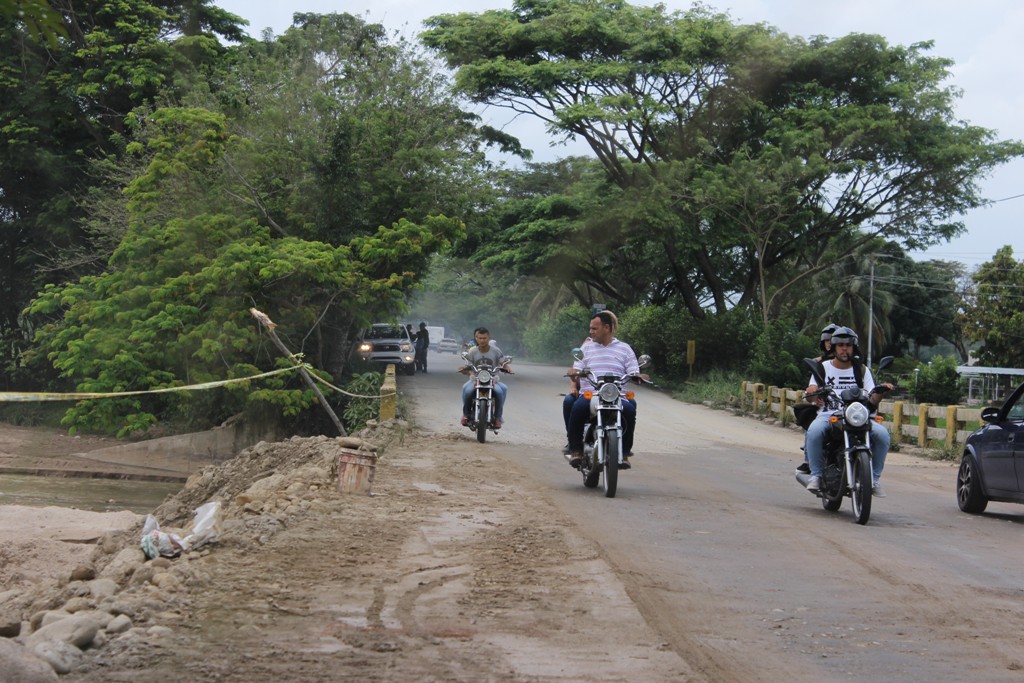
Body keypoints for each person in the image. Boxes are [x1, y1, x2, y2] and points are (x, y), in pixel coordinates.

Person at [803, 326, 894, 497]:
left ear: (854, 347)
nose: (845, 349)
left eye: (848, 345)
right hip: (830, 414)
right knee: (814, 432)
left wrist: (880, 393)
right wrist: (812, 392)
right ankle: (816, 476)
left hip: (857, 416)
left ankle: (873, 479)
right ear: (834, 347)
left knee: (882, 435)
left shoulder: (862, 370)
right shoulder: (822, 368)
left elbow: (871, 398)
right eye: (840, 345)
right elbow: (811, 395)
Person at [564, 311, 647, 469]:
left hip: (618, 396)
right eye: (590, 328)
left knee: (629, 409)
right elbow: (577, 368)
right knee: (577, 407)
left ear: (607, 328)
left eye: (594, 328)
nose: (591, 332)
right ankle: (576, 450)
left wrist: (638, 376)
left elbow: (633, 371)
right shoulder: (587, 348)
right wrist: (574, 374)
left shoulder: (625, 349)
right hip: (592, 395)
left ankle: (624, 453)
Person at [458, 327, 511, 428]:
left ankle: (498, 418)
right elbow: (468, 365)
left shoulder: (496, 351)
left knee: (501, 391)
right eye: (480, 338)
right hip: (476, 379)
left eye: (484, 338)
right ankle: (466, 415)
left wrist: (507, 368)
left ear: (489, 338)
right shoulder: (472, 352)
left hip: (493, 380)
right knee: (467, 390)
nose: (482, 340)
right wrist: (466, 371)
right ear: (476, 338)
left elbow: (502, 362)